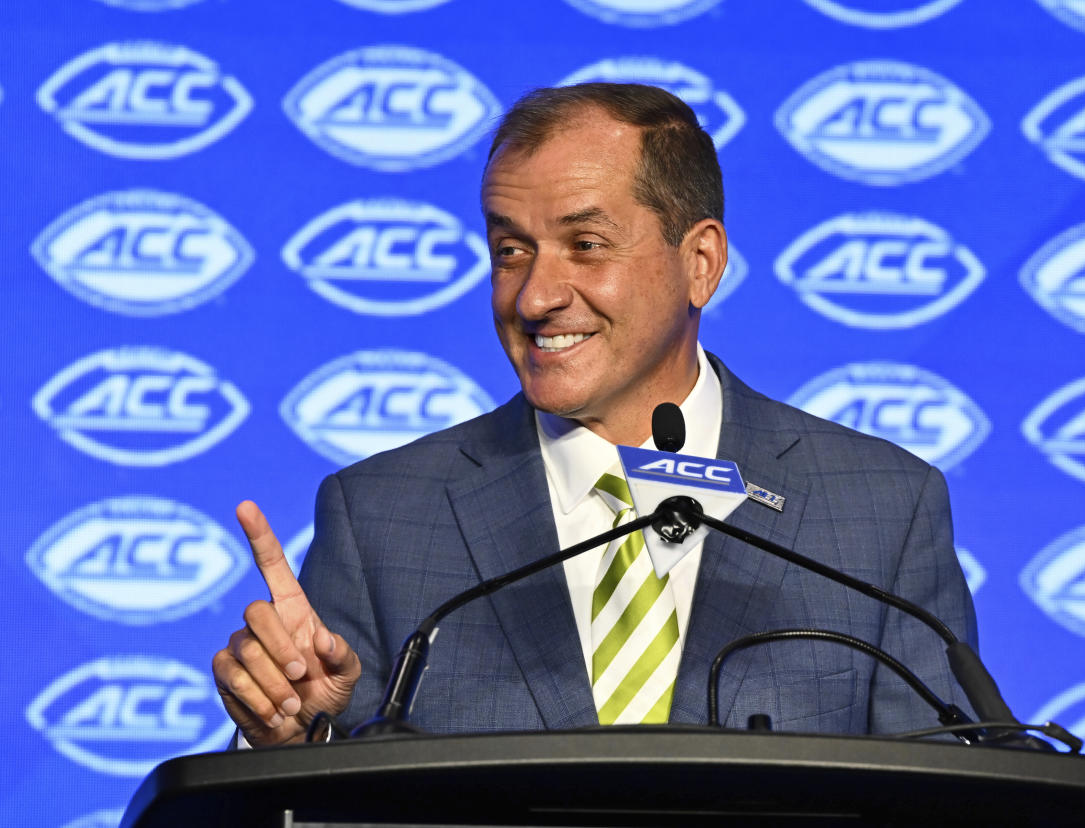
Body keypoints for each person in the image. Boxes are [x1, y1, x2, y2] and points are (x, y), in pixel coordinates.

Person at [212, 83, 977, 747]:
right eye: (510, 250)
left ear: (700, 262)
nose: (535, 296)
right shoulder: (382, 517)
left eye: (585, 244)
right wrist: (295, 736)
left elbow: (949, 800)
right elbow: (319, 799)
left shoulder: (880, 509)